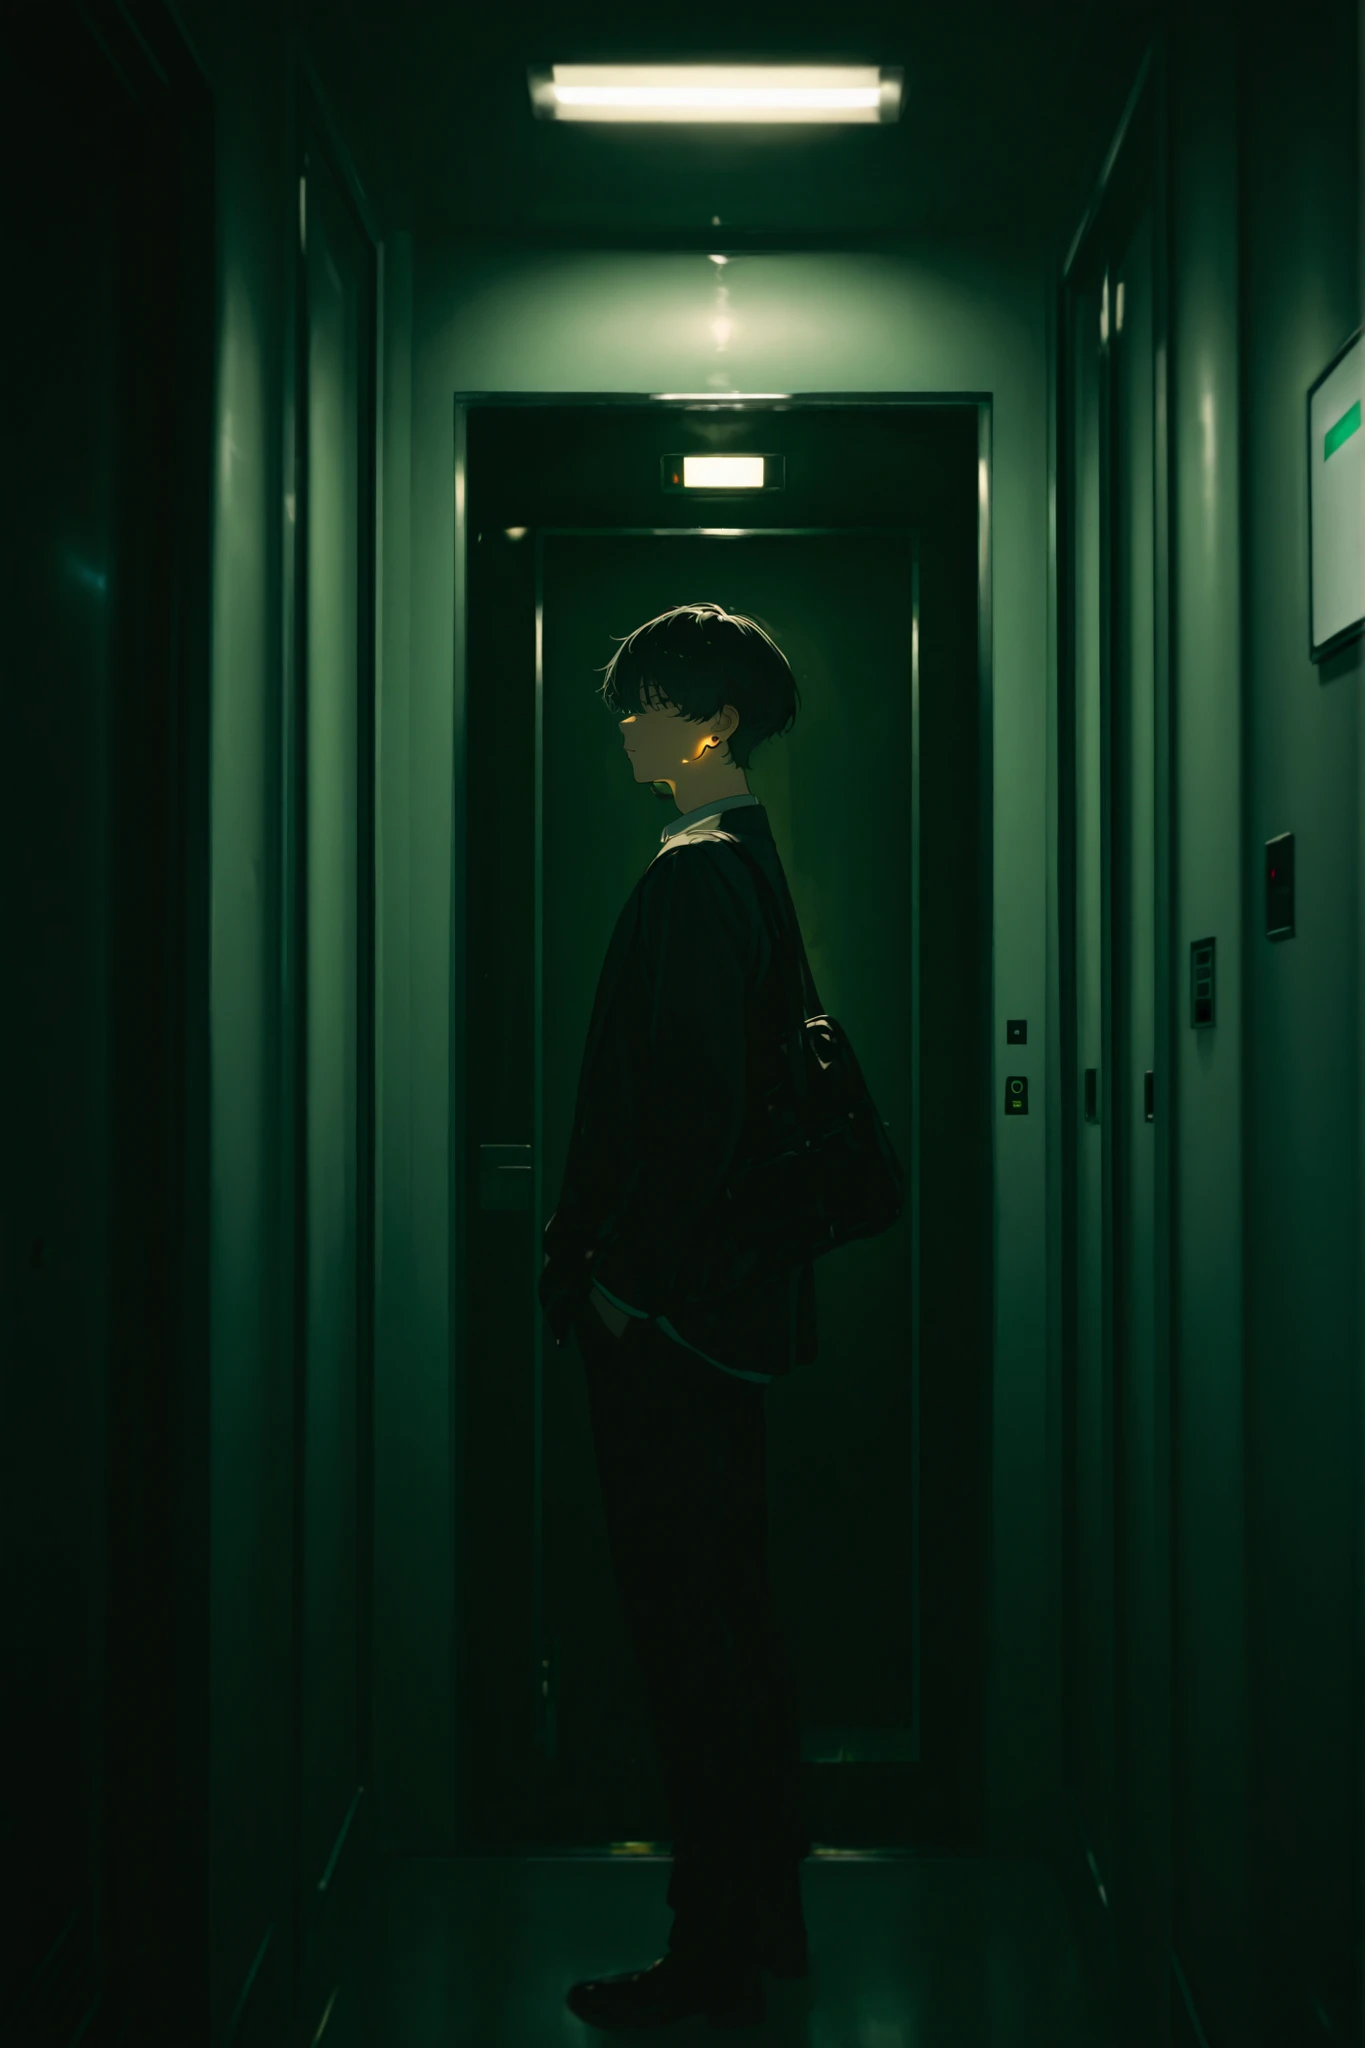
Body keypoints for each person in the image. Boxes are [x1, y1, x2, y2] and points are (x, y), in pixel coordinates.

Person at [538, 601, 816, 2029]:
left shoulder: (700, 876)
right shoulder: (737, 865)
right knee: (732, 1634)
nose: (628, 731)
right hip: (723, 1324)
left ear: (702, 710)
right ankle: (760, 1927)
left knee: (694, 1645)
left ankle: (713, 1950)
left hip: (681, 1334)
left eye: (642, 702)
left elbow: (696, 1120)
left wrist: (619, 1289)